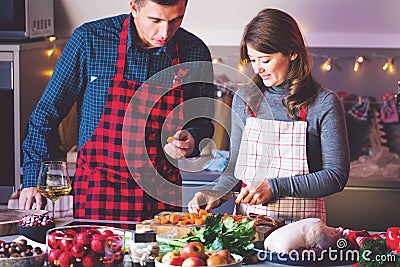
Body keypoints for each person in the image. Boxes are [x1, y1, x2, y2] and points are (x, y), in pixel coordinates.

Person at [19, 0, 214, 222]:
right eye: (155, 20)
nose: (165, 32)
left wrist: (193, 137)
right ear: (134, 7)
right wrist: (33, 181)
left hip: (161, 195)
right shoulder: (90, 40)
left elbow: (203, 122)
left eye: (175, 20)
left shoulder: (194, 51)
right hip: (99, 193)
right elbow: (45, 115)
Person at [188, 8, 350, 223]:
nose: (258, 69)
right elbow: (235, 168)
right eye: (252, 60)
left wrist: (274, 187)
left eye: (265, 60)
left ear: (292, 53)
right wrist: (216, 192)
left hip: (301, 229)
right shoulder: (245, 98)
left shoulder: (323, 103)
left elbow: (335, 176)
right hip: (248, 226)